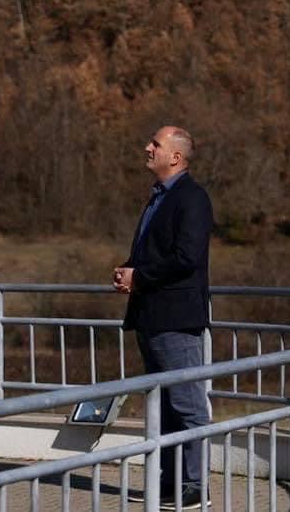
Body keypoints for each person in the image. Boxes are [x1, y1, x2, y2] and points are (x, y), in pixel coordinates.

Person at [115, 125, 213, 510]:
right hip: (152, 316)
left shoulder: (191, 198)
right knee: (165, 407)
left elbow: (187, 258)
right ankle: (171, 483)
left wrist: (140, 277)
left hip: (176, 318)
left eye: (155, 144)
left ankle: (195, 485)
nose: (147, 147)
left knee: (187, 406)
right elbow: (155, 252)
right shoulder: (159, 197)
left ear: (175, 156)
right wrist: (128, 271)